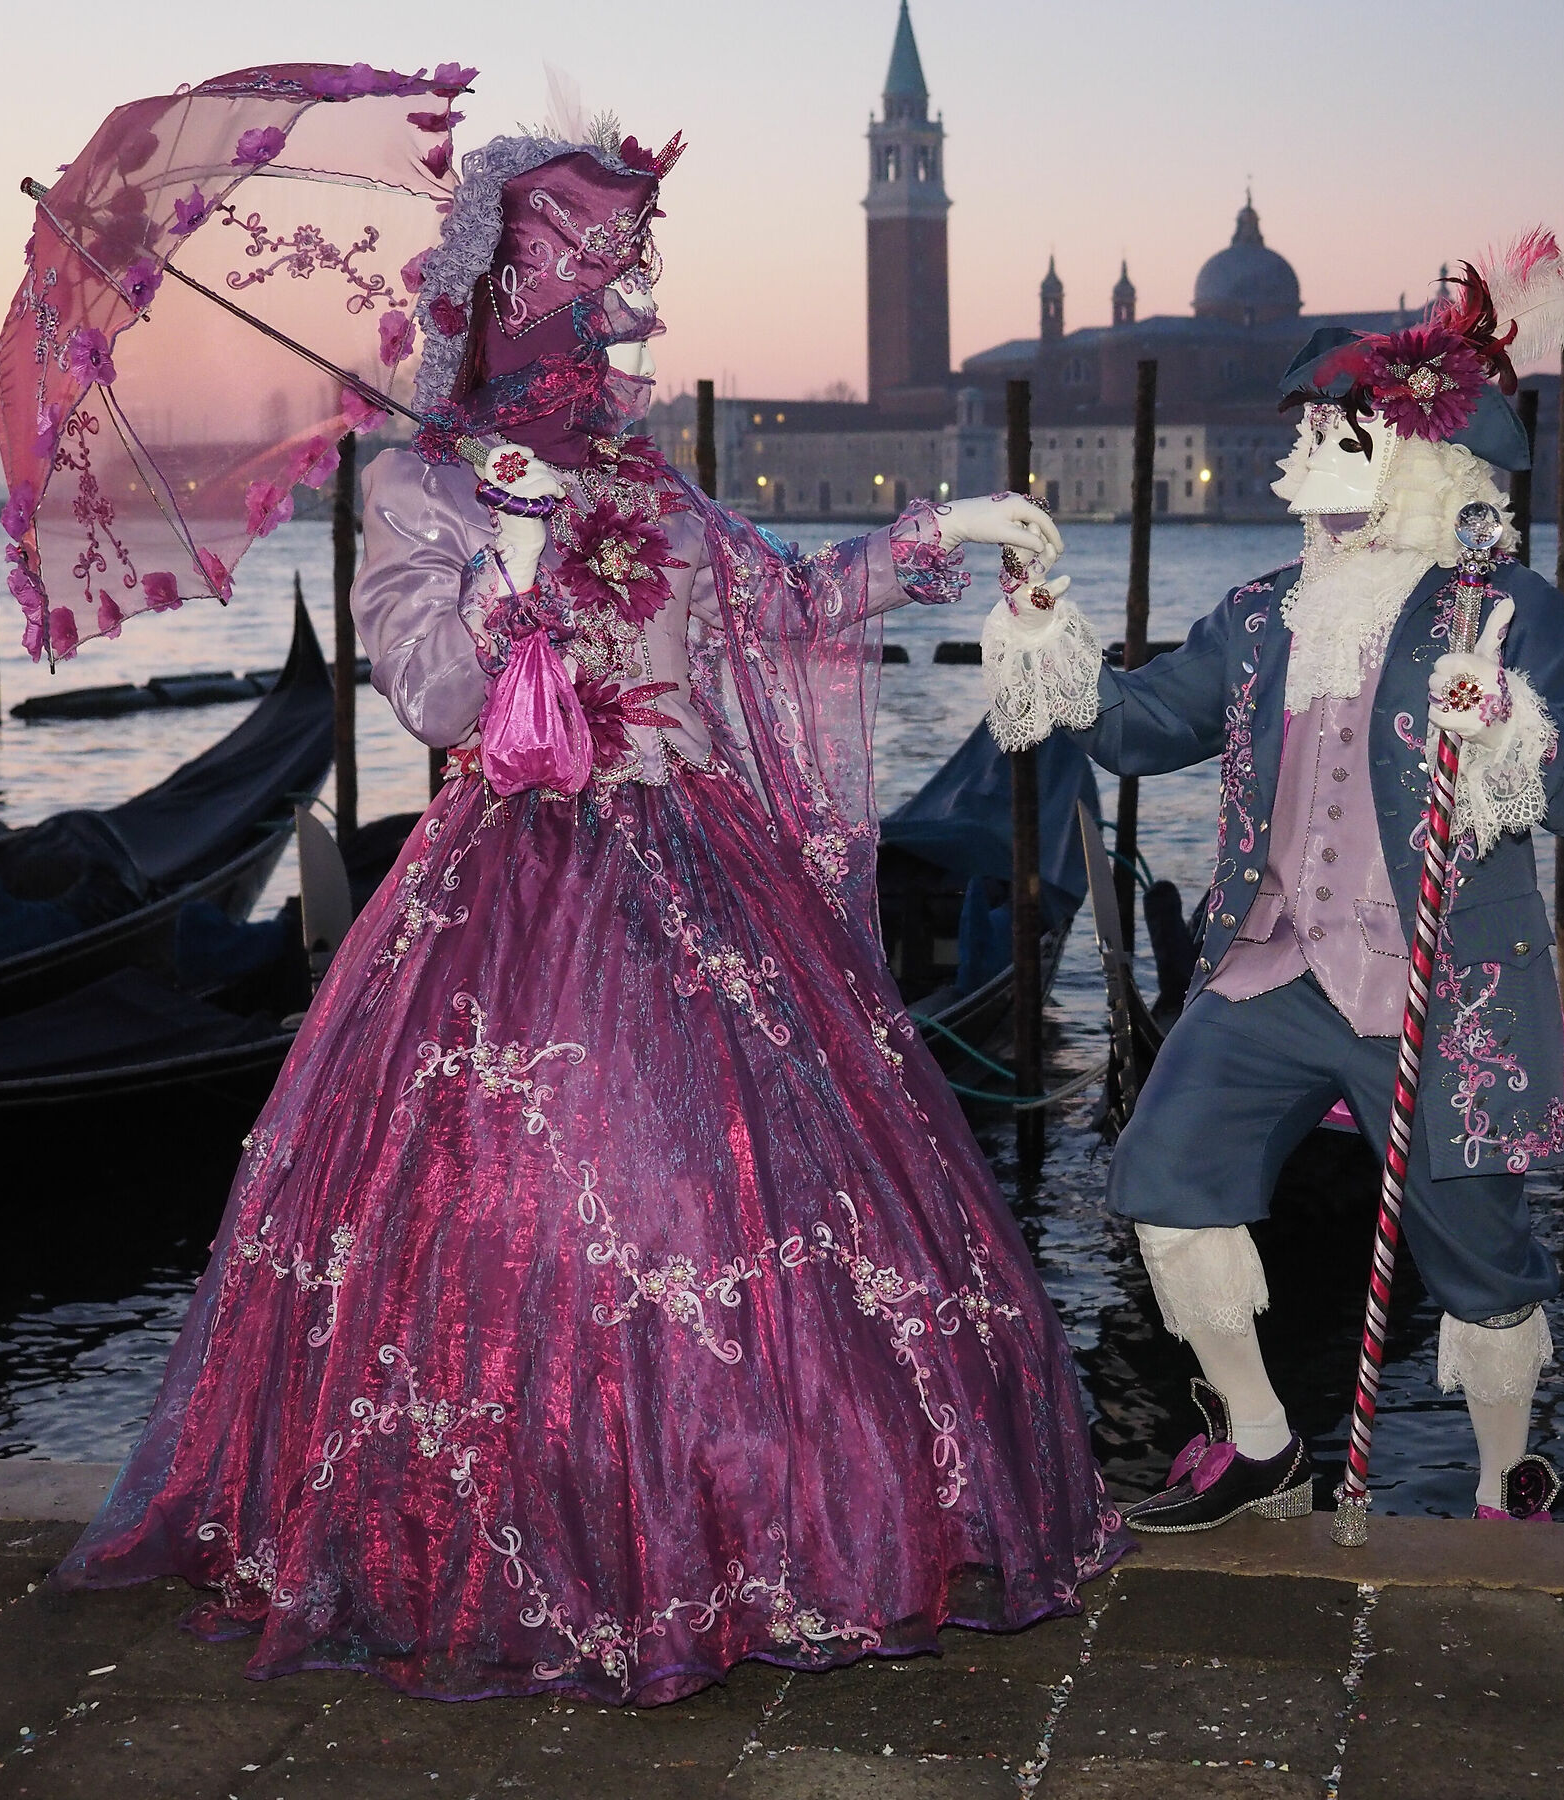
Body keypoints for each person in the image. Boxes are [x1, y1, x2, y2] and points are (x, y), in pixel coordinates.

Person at [56, 117, 1122, 1703]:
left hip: (711, 881)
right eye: (611, 267)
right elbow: (431, 695)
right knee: (553, 1218)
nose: (636, 299)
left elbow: (779, 602)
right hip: (526, 888)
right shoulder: (426, 481)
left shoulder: (637, 465)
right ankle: (545, 1542)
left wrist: (940, 536)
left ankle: (778, 1533)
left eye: (635, 267)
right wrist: (510, 554)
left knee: (772, 1200)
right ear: (530, 289)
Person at [981, 234, 1564, 1531]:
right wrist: (1050, 628)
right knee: (1159, 1177)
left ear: (1411, 463)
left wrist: (1504, 724)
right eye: (1314, 434)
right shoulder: (1258, 612)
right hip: (1269, 965)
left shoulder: (1499, 609)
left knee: (1482, 1259)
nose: (1301, 456)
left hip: (1438, 989)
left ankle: (1509, 1479)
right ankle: (1266, 1441)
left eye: (1337, 436)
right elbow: (1125, 729)